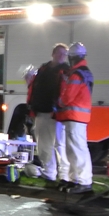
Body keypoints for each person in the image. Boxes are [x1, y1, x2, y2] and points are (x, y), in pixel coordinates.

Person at [28, 43, 71, 188]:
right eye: (59, 53)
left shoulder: (66, 71)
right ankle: (49, 173)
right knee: (44, 146)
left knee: (60, 145)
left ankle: (64, 175)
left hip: (57, 114)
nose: (61, 56)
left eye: (64, 54)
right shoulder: (43, 69)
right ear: (53, 54)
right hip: (41, 111)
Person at [57, 42, 94, 194]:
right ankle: (75, 180)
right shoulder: (83, 72)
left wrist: (58, 101)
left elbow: (67, 97)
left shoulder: (76, 74)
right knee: (73, 151)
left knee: (77, 150)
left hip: (75, 117)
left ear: (72, 58)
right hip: (76, 117)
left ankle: (84, 182)